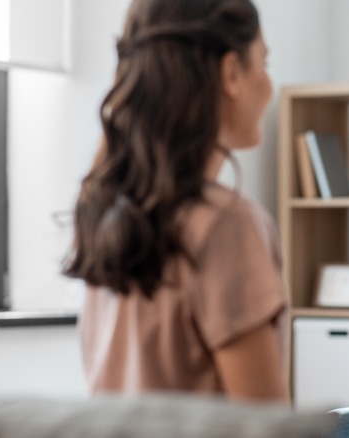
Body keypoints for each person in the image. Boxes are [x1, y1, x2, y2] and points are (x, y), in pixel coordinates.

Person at [65, 0, 288, 402]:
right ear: (232, 73)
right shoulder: (226, 225)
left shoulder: (105, 212)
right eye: (264, 63)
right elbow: (264, 427)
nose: (270, 85)